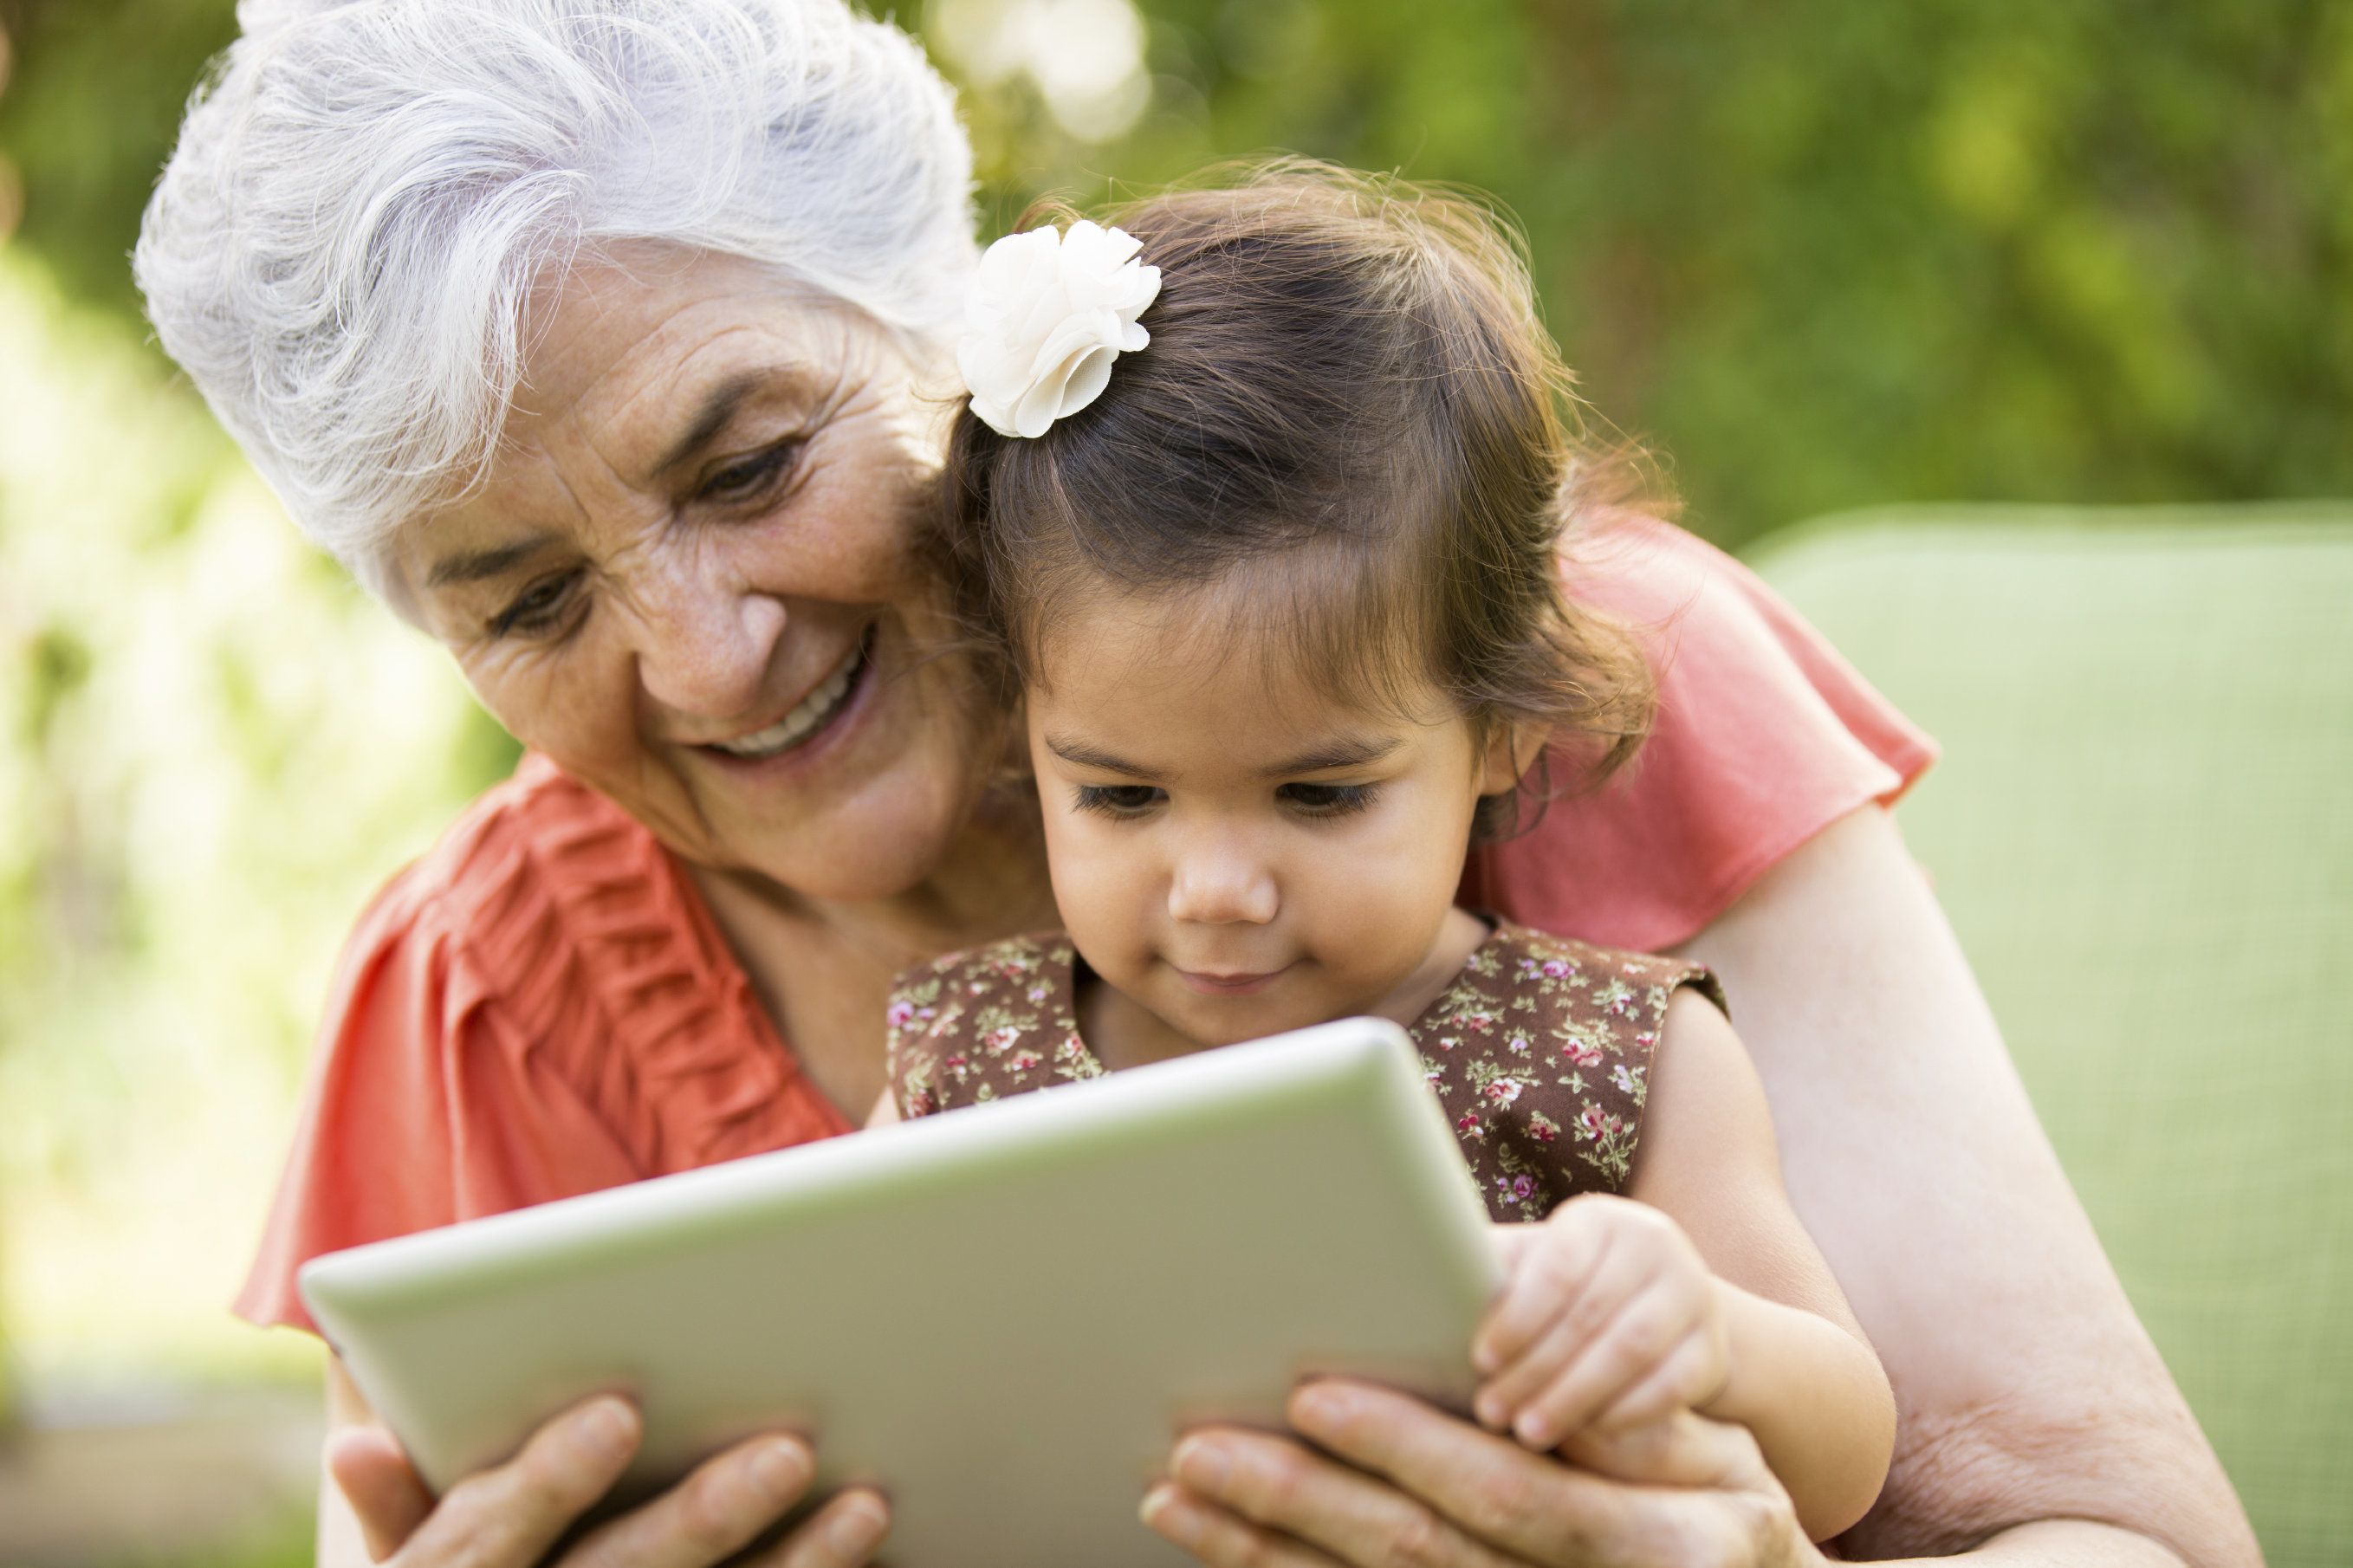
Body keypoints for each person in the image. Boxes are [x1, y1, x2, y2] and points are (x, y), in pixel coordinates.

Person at [132, 3, 2257, 1567]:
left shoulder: (1585, 683)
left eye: (754, 463)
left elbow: (2121, 1535)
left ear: (945, 331)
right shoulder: (482, 1001)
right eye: (521, 599)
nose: (705, 651)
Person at [882, 172, 1898, 1542]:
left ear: (1501, 729)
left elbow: (1846, 1455)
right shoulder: (962, 1071)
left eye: (1316, 793)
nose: (1218, 888)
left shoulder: (1606, 1058)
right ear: (1027, 732)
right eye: (1123, 797)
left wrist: (1693, 1323)